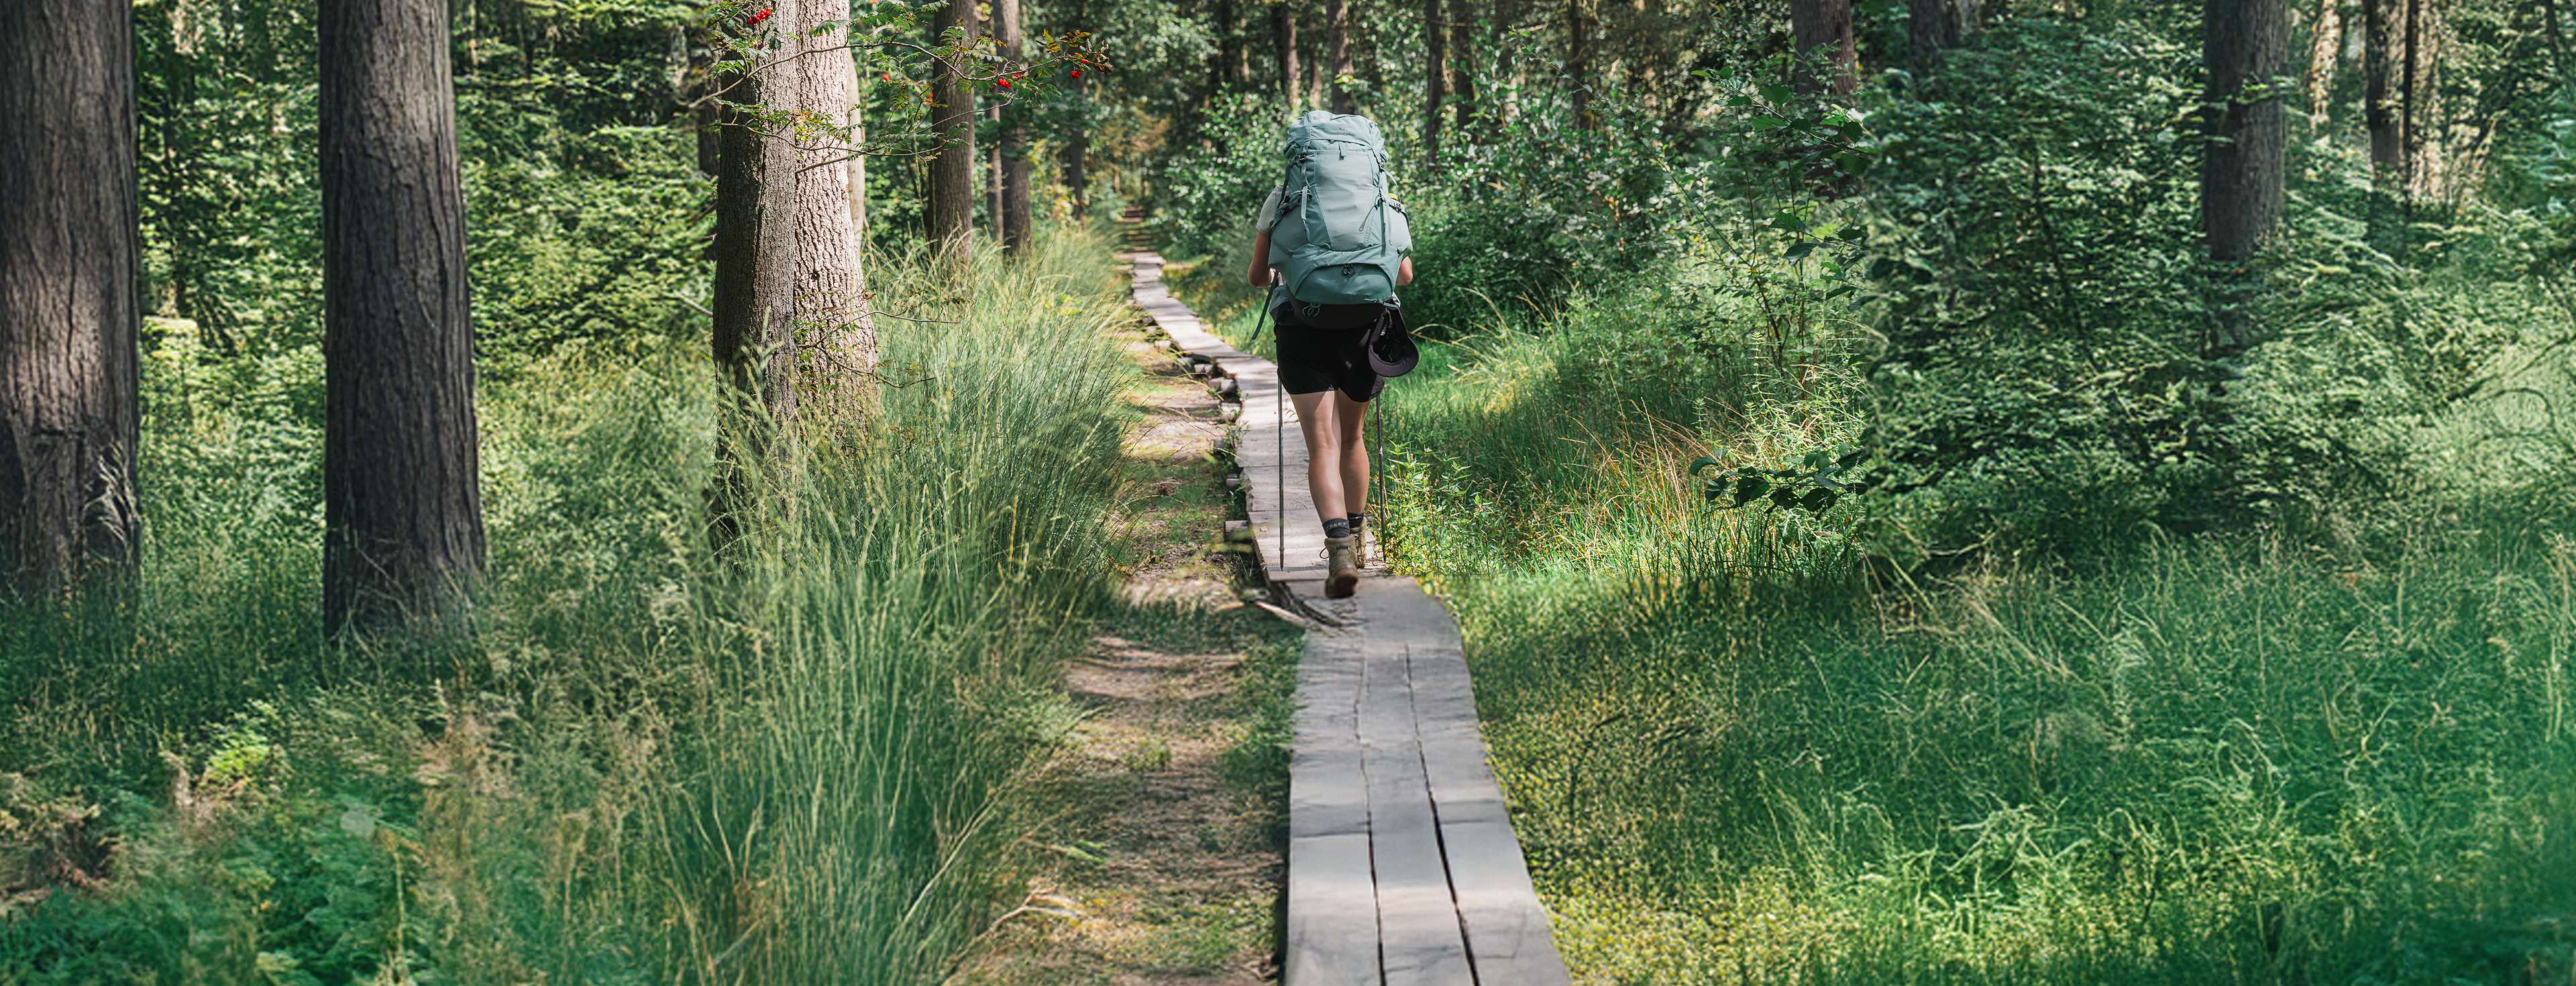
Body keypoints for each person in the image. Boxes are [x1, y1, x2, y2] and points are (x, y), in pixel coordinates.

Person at [1247, 184, 1414, 599]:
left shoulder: (1283, 196)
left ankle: (1338, 552)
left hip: (1302, 325)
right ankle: (1357, 538)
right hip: (1364, 325)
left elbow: (1257, 276)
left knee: (1322, 445)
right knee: (1352, 438)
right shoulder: (1379, 195)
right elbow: (1405, 275)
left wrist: (1291, 271)